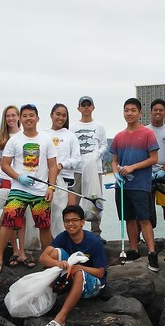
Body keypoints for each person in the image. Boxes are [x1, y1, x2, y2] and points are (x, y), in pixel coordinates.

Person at [0, 103, 58, 274]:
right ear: (20, 119)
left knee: (44, 224)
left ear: (37, 118)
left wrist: (51, 187)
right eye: (25, 115)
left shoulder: (45, 139)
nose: (28, 118)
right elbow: (5, 165)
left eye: (31, 115)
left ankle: (46, 256)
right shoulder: (14, 140)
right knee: (8, 219)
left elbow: (53, 165)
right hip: (19, 189)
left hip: (40, 190)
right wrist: (19, 177)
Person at [39, 205, 107, 326]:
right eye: (66, 221)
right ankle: (46, 298)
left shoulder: (94, 242)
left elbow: (100, 272)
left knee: (79, 273)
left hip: (94, 284)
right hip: (70, 277)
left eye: (74, 220)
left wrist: (79, 267)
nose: (70, 224)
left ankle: (61, 318)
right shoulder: (63, 237)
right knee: (55, 252)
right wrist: (58, 263)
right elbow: (43, 257)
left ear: (82, 222)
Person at [111, 98, 160, 271]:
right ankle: (133, 250)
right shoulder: (118, 137)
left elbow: (154, 159)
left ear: (140, 113)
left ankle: (152, 253)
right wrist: (116, 173)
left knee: (144, 219)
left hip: (140, 184)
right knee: (129, 218)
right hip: (123, 185)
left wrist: (132, 167)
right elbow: (114, 160)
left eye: (133, 110)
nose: (129, 113)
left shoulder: (147, 134)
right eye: (126, 110)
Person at [0, 105, 30, 266]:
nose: (11, 118)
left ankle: (22, 251)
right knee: (10, 216)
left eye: (14, 115)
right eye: (8, 116)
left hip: (22, 180)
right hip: (6, 180)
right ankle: (14, 250)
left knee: (23, 217)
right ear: (4, 118)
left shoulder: (25, 136)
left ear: (19, 117)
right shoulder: (0, 138)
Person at [70, 96, 108, 238]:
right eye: (83, 105)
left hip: (95, 170)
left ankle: (95, 233)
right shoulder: (72, 127)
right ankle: (74, 232)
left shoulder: (99, 126)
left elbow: (104, 145)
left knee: (95, 201)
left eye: (88, 104)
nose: (86, 107)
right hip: (77, 170)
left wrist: (96, 155)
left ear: (93, 107)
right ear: (79, 108)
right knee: (73, 202)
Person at [147, 98, 165, 236]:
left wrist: (163, 170)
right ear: (150, 112)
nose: (158, 112)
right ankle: (143, 238)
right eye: (155, 110)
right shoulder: (144, 130)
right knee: (146, 209)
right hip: (146, 175)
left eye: (161, 110)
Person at [46, 103, 82, 205]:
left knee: (67, 216)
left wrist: (61, 165)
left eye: (64, 115)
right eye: (58, 114)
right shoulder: (43, 134)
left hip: (67, 181)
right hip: (46, 181)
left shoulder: (71, 136)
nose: (60, 118)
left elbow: (77, 159)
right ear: (51, 115)